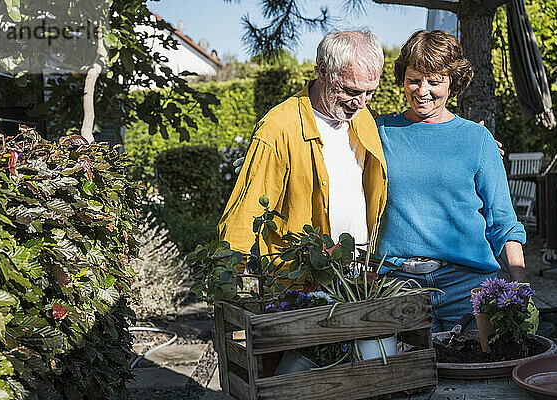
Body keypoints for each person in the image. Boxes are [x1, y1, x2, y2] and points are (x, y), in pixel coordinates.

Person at [375, 30, 528, 333]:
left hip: (468, 285)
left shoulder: (477, 139)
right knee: (409, 377)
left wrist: (521, 288)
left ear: (453, 82)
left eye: (435, 81)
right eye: (414, 79)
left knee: (482, 371)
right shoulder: (379, 132)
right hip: (399, 285)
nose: (422, 90)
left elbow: (503, 221)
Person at [218, 30, 387, 256]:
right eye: (351, 91)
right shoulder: (277, 129)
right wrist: (226, 284)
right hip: (299, 285)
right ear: (323, 70)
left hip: (358, 280)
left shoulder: (363, 118)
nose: (361, 103)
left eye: (370, 92)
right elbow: (244, 218)